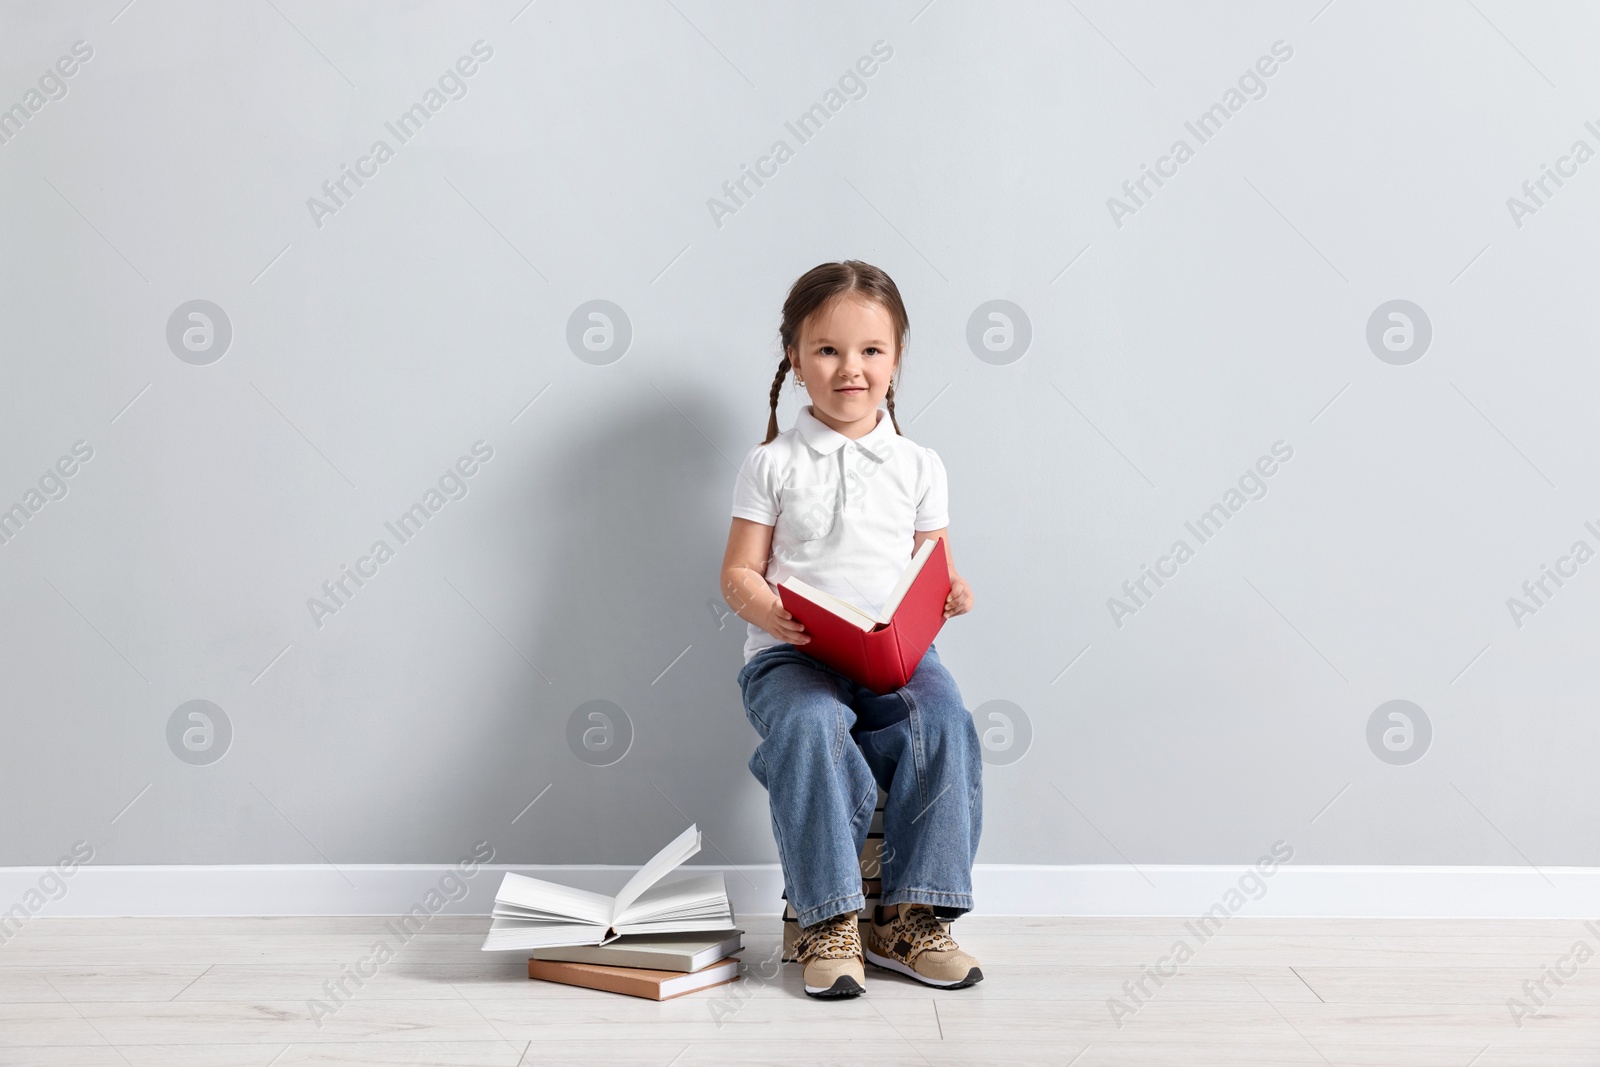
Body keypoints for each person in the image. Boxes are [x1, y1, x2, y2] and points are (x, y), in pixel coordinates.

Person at [720, 260, 984, 999]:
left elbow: (936, 567)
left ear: (896, 359)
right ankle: (828, 918)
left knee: (946, 721)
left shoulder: (918, 463)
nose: (851, 368)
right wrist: (767, 608)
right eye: (828, 350)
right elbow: (737, 571)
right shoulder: (771, 463)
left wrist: (954, 593)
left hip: (893, 654)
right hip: (793, 658)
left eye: (871, 350)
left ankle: (910, 913)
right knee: (809, 723)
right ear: (796, 361)